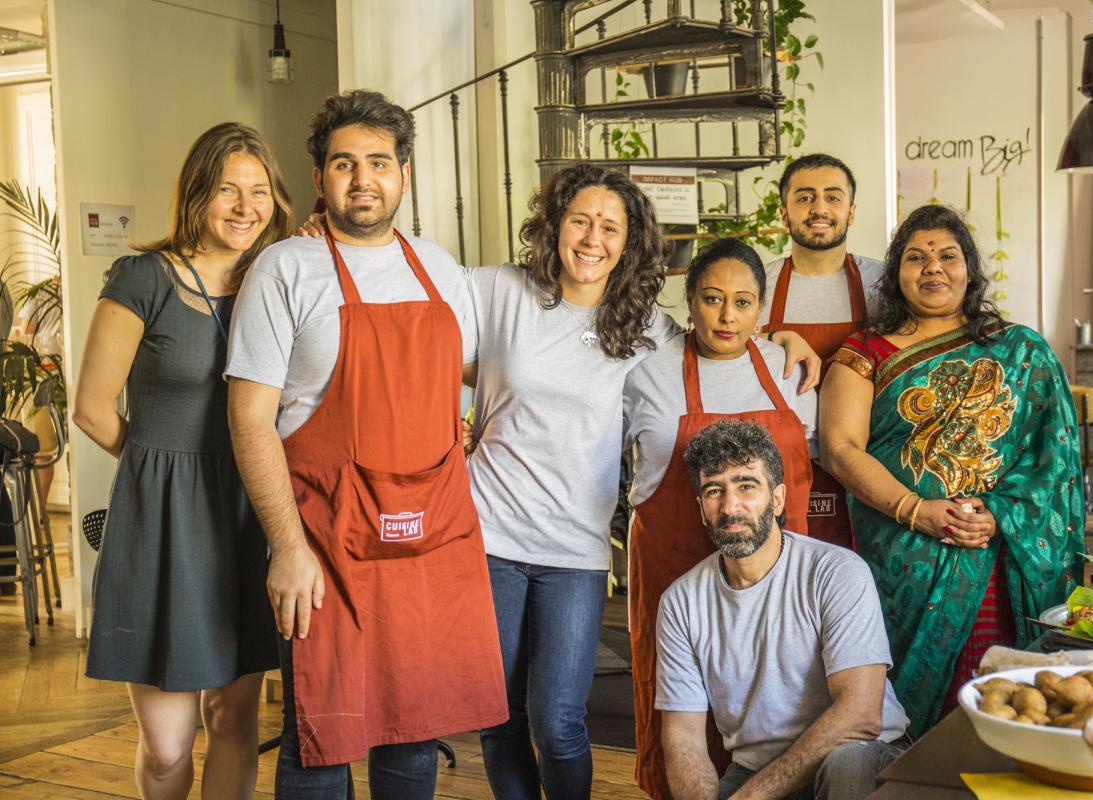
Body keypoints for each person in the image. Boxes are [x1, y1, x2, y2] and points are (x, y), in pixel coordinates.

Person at [466, 165, 822, 799]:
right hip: (488, 533)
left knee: (558, 721)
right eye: (580, 220)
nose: (592, 238)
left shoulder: (642, 329)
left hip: (574, 547)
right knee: (498, 715)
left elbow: (723, 342)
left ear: (629, 242)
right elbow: (416, 318)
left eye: (610, 226)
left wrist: (778, 337)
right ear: (554, 225)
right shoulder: (499, 290)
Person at [225, 90, 507, 799]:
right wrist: (288, 549)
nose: (363, 179)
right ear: (319, 179)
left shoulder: (440, 268)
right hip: (327, 543)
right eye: (344, 164)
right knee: (321, 737)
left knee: (415, 735)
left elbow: (474, 374)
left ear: (404, 175)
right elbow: (249, 419)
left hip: (430, 541)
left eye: (379, 163)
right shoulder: (286, 269)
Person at [75, 122, 292, 800]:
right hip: (162, 520)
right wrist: (155, 465)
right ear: (197, 194)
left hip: (248, 516)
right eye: (227, 189)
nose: (244, 206)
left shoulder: (277, 279)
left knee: (232, 720)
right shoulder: (144, 277)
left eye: (259, 191)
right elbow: (91, 407)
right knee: (169, 747)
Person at [820, 204, 1085, 736]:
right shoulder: (864, 353)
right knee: (913, 712)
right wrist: (916, 511)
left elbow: (1051, 462)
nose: (933, 268)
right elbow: (840, 449)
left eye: (947, 256)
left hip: (996, 554)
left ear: (969, 268)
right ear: (896, 274)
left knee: (1004, 694)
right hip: (904, 558)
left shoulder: (1020, 349)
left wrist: (997, 516)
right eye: (915, 258)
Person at [623, 237, 818, 799]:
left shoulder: (789, 370)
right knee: (680, 710)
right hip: (674, 573)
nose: (727, 315)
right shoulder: (645, 371)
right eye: (712, 299)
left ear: (762, 310)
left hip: (777, 584)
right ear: (689, 301)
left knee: (779, 707)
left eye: (743, 301)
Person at [657, 419, 908, 800]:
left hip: (862, 755)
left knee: (847, 766)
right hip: (755, 770)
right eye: (714, 490)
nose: (730, 506)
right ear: (701, 508)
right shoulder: (680, 602)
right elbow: (684, 740)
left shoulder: (835, 571)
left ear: (776, 499)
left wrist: (749, 798)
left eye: (746, 485)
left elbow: (861, 715)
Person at [760, 153, 885, 549]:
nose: (819, 208)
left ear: (851, 212)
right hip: (782, 472)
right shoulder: (757, 285)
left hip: (871, 465)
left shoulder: (883, 284)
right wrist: (773, 336)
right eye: (805, 197)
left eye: (833, 197)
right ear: (784, 212)